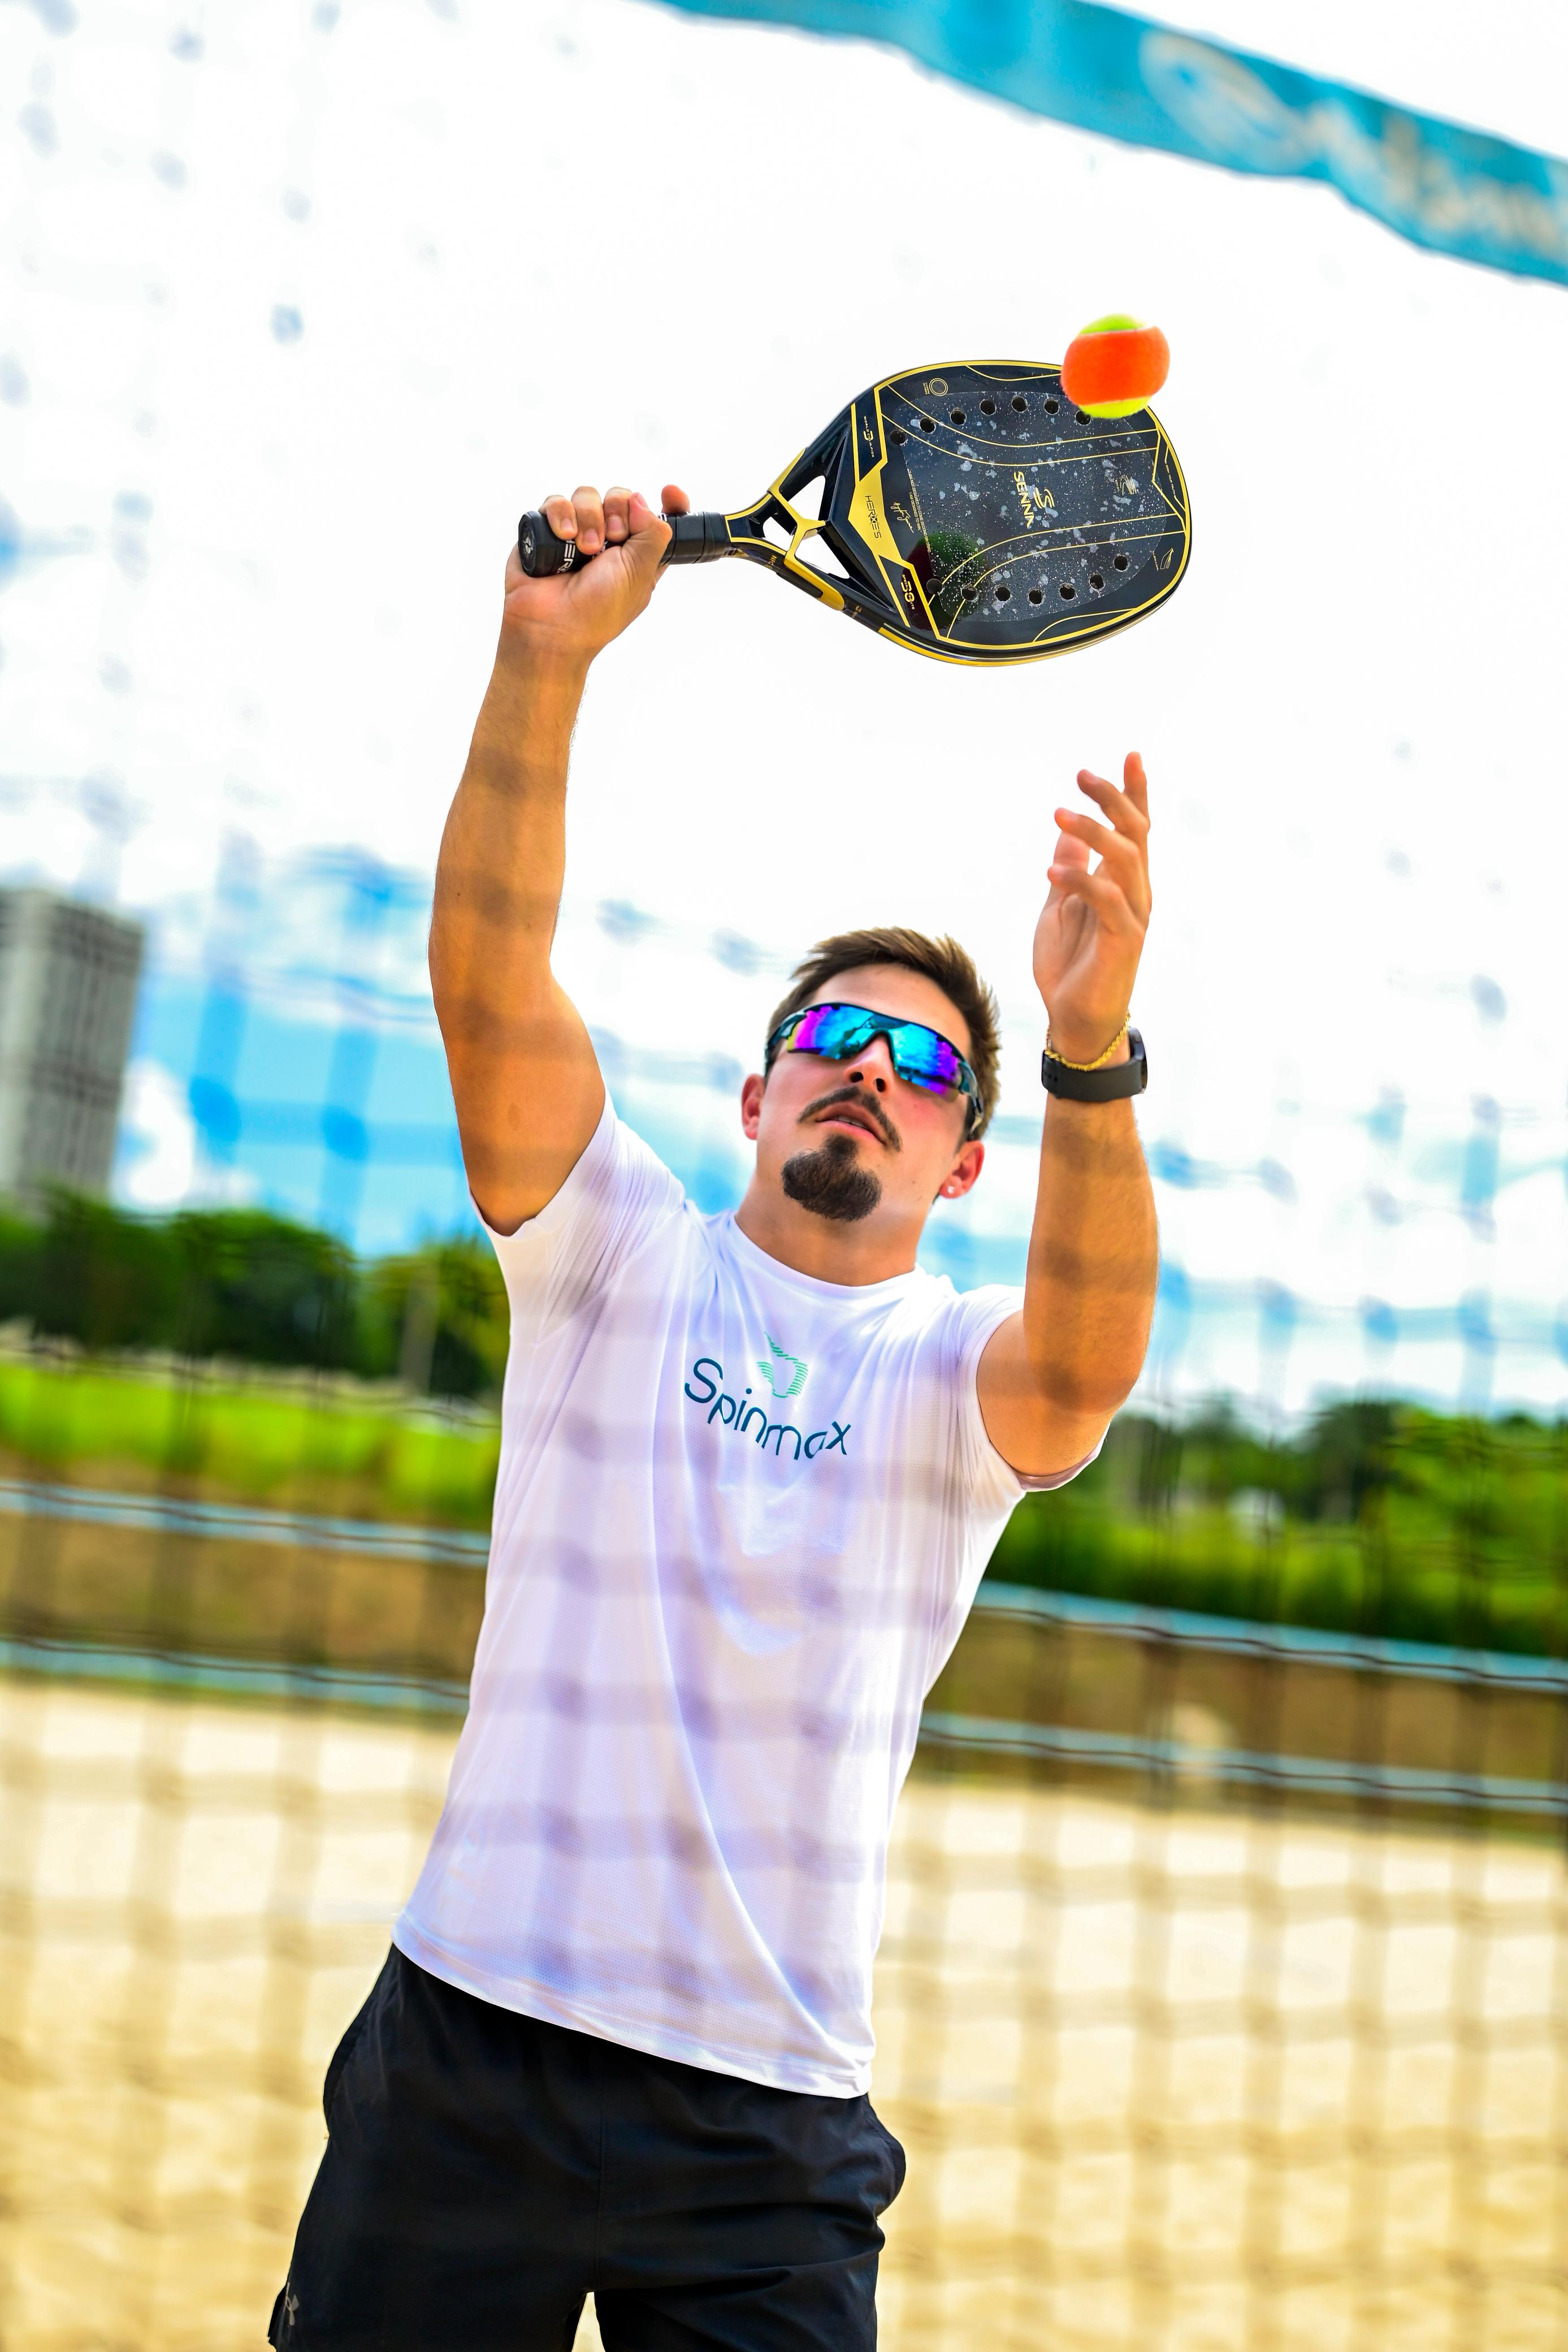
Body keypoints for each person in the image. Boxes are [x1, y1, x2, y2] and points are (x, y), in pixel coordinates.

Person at [270, 482, 1158, 2351]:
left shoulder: (950, 1376)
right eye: (834, 1040)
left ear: (966, 1156)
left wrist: (1091, 1043)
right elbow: (487, 984)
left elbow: (1085, 1370)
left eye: (921, 1064)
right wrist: (542, 662)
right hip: (471, 2051)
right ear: (756, 1101)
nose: (870, 1071)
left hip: (766, 2123)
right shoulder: (616, 1260)